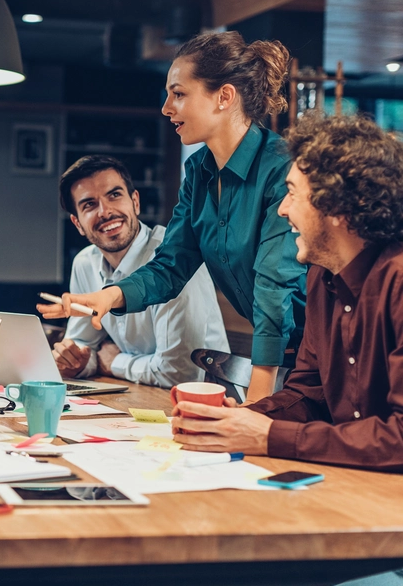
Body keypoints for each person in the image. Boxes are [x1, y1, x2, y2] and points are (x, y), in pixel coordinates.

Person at [39, 31, 308, 403]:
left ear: (224, 97)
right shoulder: (198, 172)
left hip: (327, 350)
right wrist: (109, 297)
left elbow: (273, 289)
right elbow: (170, 264)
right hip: (290, 360)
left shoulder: (281, 168)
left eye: (179, 94)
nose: (167, 108)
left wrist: (256, 406)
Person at [171, 112, 403, 475]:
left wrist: (269, 436)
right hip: (359, 486)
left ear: (337, 207)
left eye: (292, 193)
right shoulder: (321, 277)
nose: (282, 208)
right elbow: (309, 394)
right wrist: (242, 420)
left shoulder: (397, 282)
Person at [52, 155, 230, 387]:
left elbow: (179, 373)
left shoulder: (175, 258)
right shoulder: (85, 263)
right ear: (78, 224)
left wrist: (115, 362)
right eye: (90, 205)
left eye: (114, 195)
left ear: (135, 202)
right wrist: (75, 361)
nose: (105, 212)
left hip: (207, 403)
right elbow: (83, 348)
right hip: (138, 395)